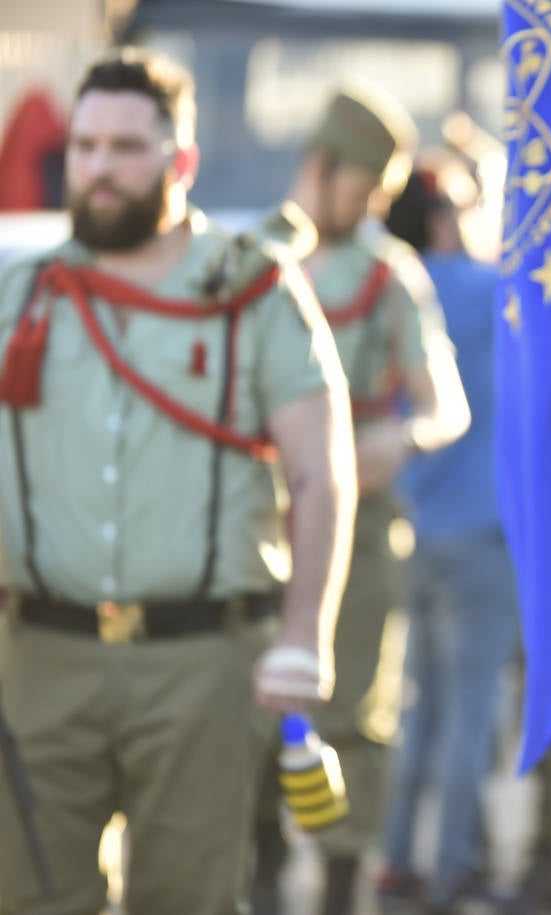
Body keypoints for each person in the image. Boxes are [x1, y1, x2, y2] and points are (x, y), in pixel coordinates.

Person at [0, 48, 355, 915]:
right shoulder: (20, 293)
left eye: (126, 147)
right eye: (85, 146)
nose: (99, 168)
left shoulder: (256, 290)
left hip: (201, 662)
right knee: (30, 895)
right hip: (38, 655)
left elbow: (320, 468)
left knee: (185, 900)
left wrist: (305, 633)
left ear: (181, 160)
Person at [262, 86, 471, 915]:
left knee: (355, 714)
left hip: (361, 522)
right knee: (244, 714)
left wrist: (404, 436)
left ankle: (342, 888)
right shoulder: (255, 258)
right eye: (366, 187)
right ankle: (260, 878)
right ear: (322, 166)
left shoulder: (391, 274)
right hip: (257, 523)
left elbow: (446, 404)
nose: (378, 206)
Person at [374, 163, 518, 912]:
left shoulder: (392, 286)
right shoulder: (486, 289)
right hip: (481, 530)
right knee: (469, 710)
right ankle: (453, 865)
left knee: (419, 707)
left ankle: (397, 858)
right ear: (440, 219)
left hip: (415, 522)